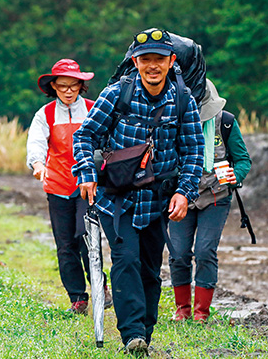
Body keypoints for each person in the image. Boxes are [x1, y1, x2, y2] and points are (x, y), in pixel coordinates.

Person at [72, 28, 204, 355]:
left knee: (149, 268)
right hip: (117, 199)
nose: (152, 66)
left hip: (158, 200)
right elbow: (85, 137)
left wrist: (184, 192)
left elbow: (193, 151)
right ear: (136, 61)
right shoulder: (117, 94)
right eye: (146, 60)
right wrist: (87, 173)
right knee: (126, 260)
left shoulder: (183, 100)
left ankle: (145, 331)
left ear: (171, 61)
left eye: (159, 59)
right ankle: (132, 334)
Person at [26, 58, 111, 315]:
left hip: (87, 186)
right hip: (57, 185)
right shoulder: (46, 114)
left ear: (81, 86)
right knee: (65, 244)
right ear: (54, 87)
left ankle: (100, 286)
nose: (68, 90)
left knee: (85, 238)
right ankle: (77, 296)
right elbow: (36, 143)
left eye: (73, 85)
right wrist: (38, 164)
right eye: (62, 86)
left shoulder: (94, 109)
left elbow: (105, 142)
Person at [168, 79, 252, 322]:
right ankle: (182, 309)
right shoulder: (173, 121)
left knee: (205, 251)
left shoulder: (225, 122)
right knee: (179, 253)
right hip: (181, 197)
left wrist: (235, 175)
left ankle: (201, 312)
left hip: (216, 197)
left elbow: (243, 159)